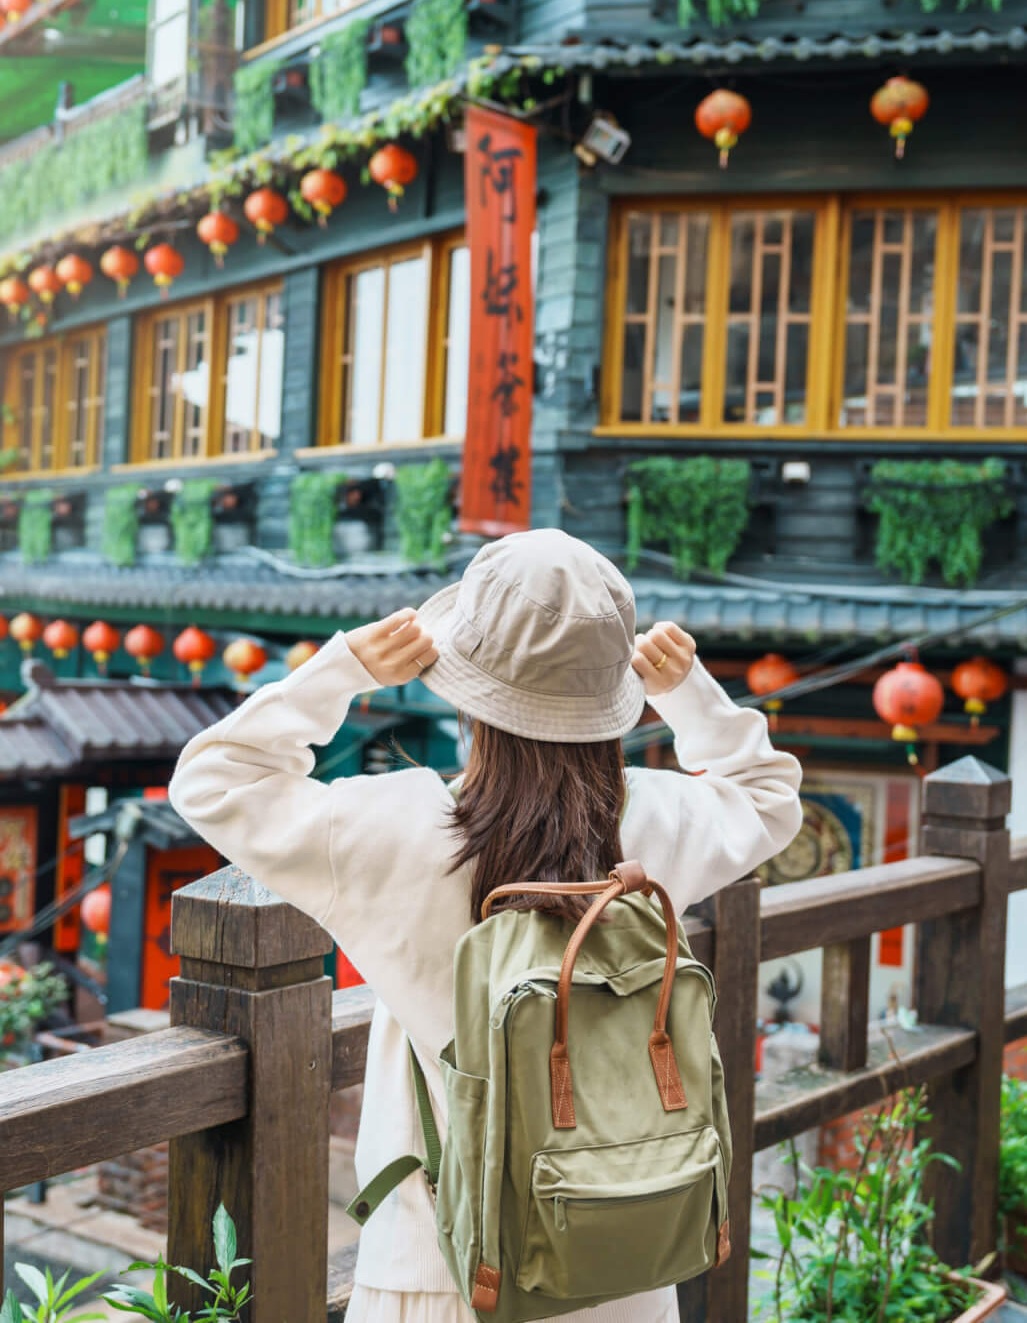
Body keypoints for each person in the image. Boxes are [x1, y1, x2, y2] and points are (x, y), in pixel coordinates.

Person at [170, 529, 803, 1322]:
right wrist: (689, 695)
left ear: (468, 693)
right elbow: (771, 796)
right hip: (624, 1253)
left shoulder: (394, 828)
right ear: (612, 697)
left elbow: (211, 779)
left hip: (440, 1266)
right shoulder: (657, 820)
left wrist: (344, 670)